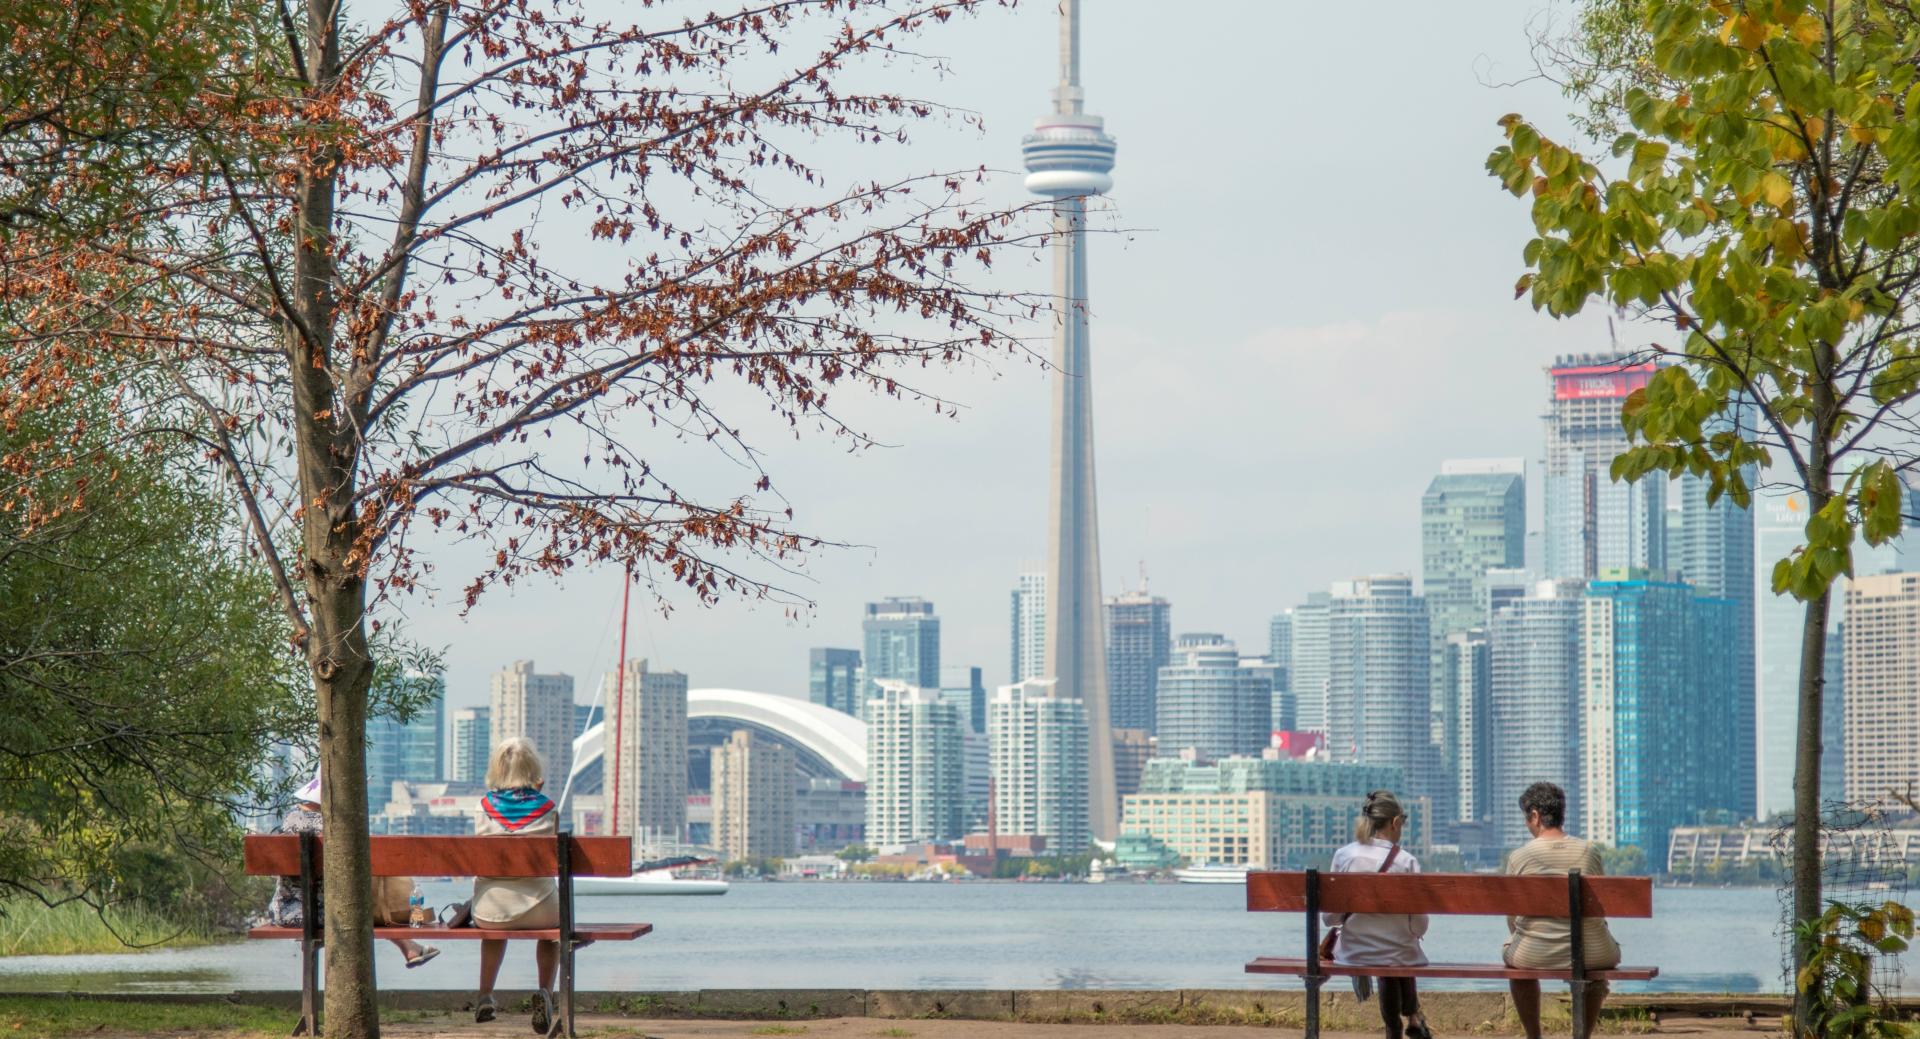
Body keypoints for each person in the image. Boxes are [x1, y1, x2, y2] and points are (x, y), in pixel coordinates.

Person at [261, 773, 440, 968]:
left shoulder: (289, 820)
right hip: (328, 914)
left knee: (357, 908)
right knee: (361, 911)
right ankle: (408, 947)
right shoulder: (337, 828)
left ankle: (409, 947)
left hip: (285, 912)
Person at [1504, 781, 1622, 1039]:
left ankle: (1534, 1036)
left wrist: (1522, 935)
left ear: (1535, 816)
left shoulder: (1519, 857)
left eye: (1527, 818)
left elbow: (1511, 918)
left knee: (1517, 966)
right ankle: (1582, 1036)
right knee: (1595, 967)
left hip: (1533, 953)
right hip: (1594, 952)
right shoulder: (1590, 852)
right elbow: (1599, 909)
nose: (1527, 824)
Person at [471, 737, 562, 1030]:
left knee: (493, 931)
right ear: (533, 768)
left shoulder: (482, 807)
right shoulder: (548, 808)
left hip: (490, 909)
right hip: (541, 908)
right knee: (552, 934)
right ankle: (545, 992)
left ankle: (485, 994)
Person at [1326, 790, 1432, 1039]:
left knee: (1392, 955)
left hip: (1354, 952)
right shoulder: (1407, 862)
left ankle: (1398, 1025)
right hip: (1400, 953)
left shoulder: (1344, 856)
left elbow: (1330, 918)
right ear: (1395, 822)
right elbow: (1419, 926)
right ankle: (1411, 1018)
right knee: (1398, 953)